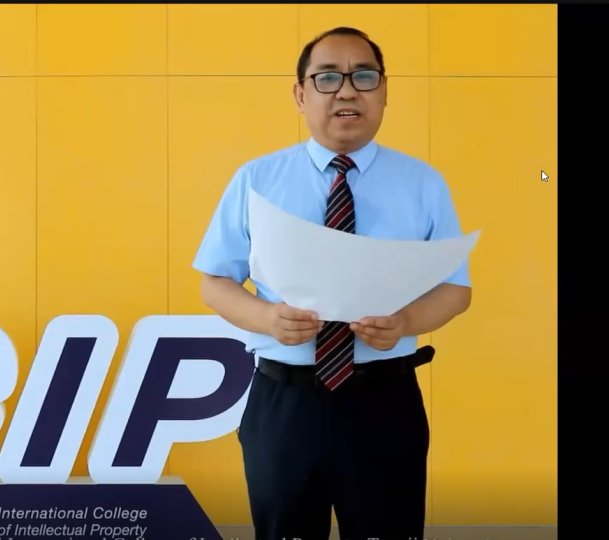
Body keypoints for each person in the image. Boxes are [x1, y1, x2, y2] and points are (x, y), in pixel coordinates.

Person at [192, 27, 472, 540]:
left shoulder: (423, 184)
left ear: (384, 92)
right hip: (285, 403)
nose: (346, 91)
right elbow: (214, 282)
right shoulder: (257, 180)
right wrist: (267, 319)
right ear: (301, 95)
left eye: (363, 77)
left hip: (384, 401)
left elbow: (456, 289)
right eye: (327, 78)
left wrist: (406, 321)